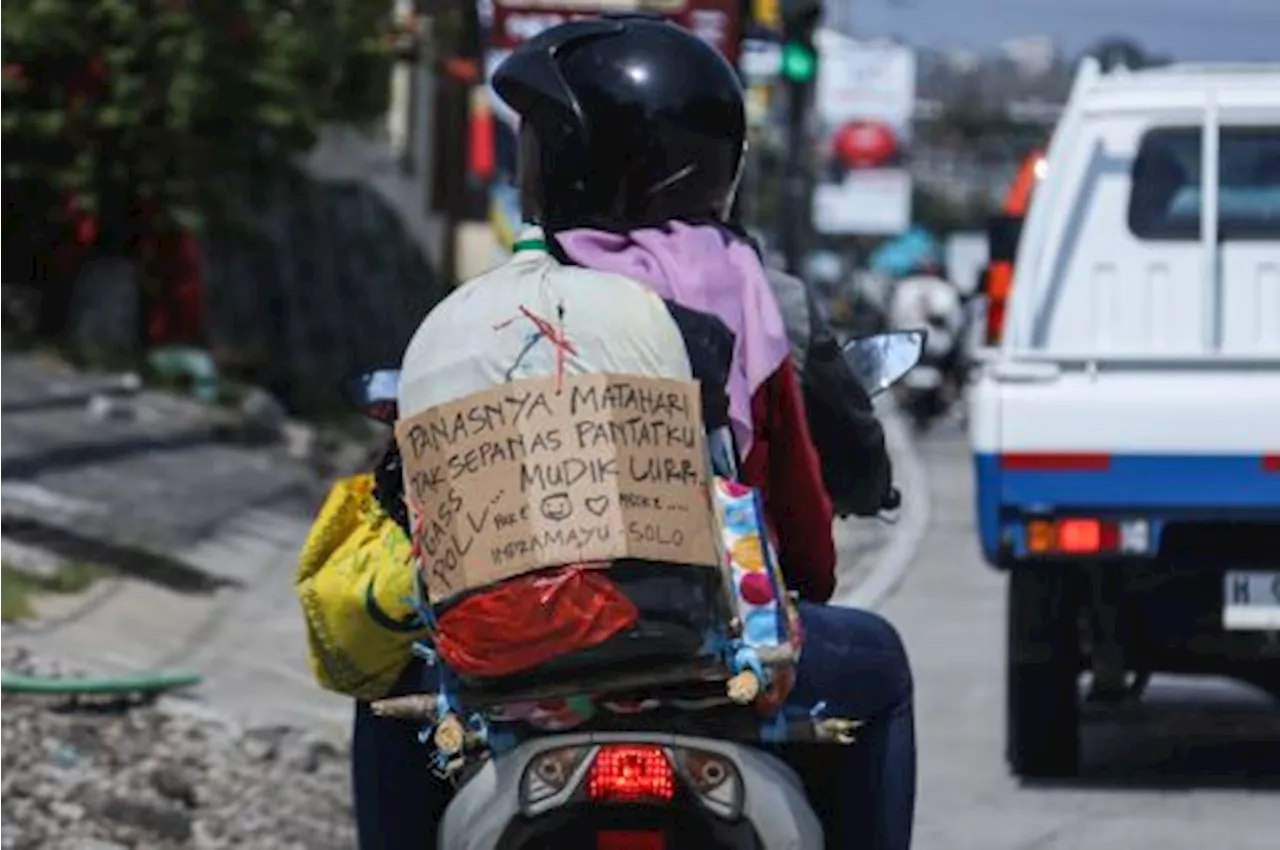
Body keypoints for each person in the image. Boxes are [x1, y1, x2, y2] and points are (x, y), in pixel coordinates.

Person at [346, 16, 916, 850]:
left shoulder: (501, 303)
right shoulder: (759, 295)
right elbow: (805, 533)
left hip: (510, 652)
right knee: (878, 665)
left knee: (384, 683)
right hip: (703, 650)